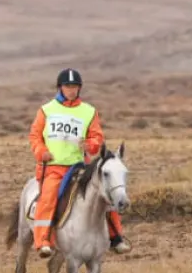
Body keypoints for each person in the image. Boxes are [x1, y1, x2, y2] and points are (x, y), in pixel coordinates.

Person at [27, 67, 129, 259]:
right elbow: (35, 135)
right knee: (48, 197)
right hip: (54, 167)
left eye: (75, 86)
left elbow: (97, 137)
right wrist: (41, 152)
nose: (71, 90)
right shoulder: (46, 110)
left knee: (105, 195)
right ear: (60, 88)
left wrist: (90, 145)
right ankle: (43, 242)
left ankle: (117, 238)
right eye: (68, 86)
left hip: (79, 167)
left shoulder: (89, 111)